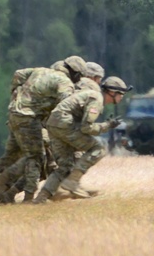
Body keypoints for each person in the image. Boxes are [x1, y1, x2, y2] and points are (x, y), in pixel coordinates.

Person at [0, 56, 86, 204]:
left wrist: (16, 95)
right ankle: (29, 199)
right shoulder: (65, 82)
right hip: (29, 118)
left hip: (13, 114)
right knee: (36, 157)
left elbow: (18, 74)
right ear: (75, 73)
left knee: (11, 156)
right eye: (80, 76)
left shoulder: (41, 71)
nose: (79, 80)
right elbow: (67, 104)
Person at [33, 73, 130, 203]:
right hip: (64, 124)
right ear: (112, 92)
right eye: (121, 94)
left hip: (54, 124)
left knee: (65, 166)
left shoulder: (93, 96)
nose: (122, 98)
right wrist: (106, 126)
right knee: (99, 148)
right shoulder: (97, 100)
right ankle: (72, 182)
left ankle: (41, 198)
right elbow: (86, 128)